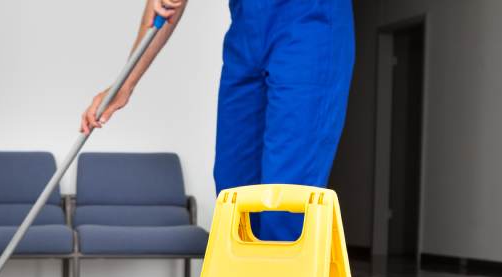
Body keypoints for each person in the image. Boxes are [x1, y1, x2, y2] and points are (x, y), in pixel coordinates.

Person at [81, 0, 355, 241]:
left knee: (286, 199)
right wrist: (125, 83)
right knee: (234, 193)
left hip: (309, 25)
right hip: (247, 34)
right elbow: (164, 6)